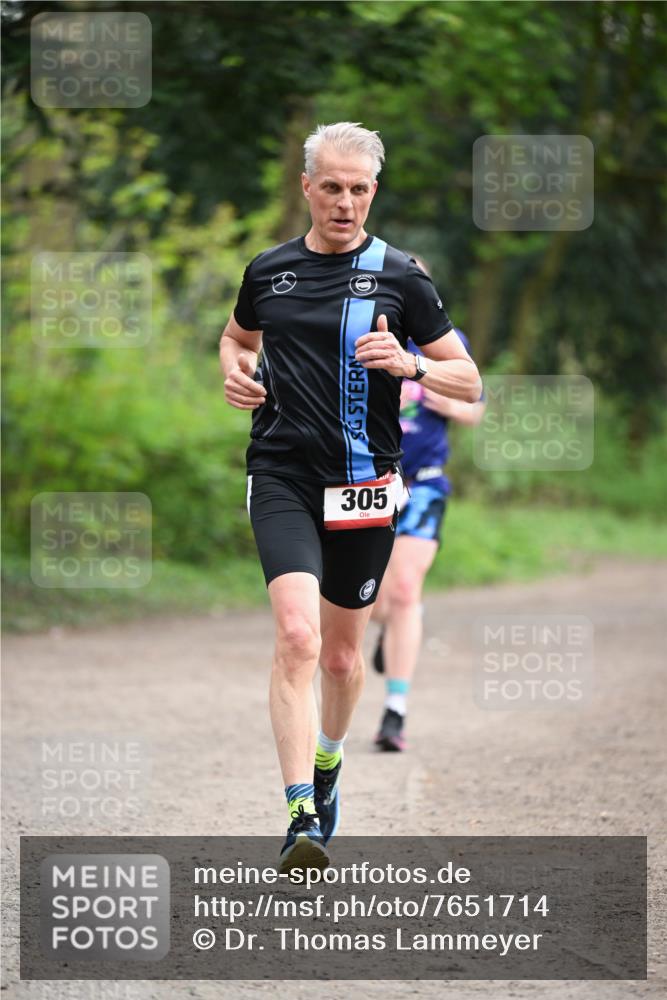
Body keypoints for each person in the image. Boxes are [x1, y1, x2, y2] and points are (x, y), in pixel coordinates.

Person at [219, 122, 481, 873]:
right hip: (281, 474)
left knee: (338, 658)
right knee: (297, 638)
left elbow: (469, 379)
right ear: (306, 186)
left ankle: (329, 764)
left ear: (373, 191)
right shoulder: (268, 271)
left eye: (358, 189)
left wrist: (409, 363)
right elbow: (235, 338)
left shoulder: (401, 277)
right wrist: (234, 370)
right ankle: (299, 809)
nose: (344, 202)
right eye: (330, 186)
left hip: (365, 486)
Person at [371, 267, 486, 750]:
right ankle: (395, 624)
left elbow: (473, 408)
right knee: (369, 601)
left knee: (403, 587)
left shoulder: (443, 341)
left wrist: (432, 392)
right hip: (368, 483)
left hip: (424, 484)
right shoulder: (362, 337)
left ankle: (395, 712)